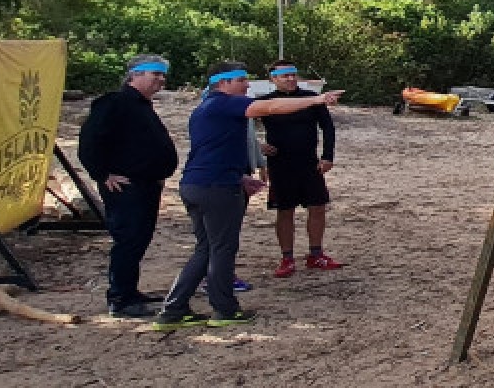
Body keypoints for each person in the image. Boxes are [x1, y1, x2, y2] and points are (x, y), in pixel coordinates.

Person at [151, 62, 343, 331]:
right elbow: (272, 107)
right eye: (241, 80)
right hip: (215, 188)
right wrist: (317, 99)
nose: (247, 85)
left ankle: (173, 310)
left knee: (205, 249)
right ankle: (224, 309)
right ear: (223, 83)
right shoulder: (223, 103)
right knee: (222, 249)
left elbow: (212, 150)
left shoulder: (206, 108)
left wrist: (239, 177)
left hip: (199, 183)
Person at [78, 55, 179, 318]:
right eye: (154, 74)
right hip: (125, 187)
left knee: (140, 239)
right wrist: (102, 174)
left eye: (162, 75)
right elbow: (90, 140)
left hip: (147, 184)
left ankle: (130, 290)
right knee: (128, 239)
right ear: (134, 74)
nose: (160, 79)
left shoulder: (143, 106)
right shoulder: (115, 102)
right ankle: (120, 298)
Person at [255, 59, 342, 278]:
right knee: (285, 211)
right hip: (280, 163)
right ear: (273, 79)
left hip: (309, 162)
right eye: (285, 76)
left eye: (293, 75)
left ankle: (316, 254)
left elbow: (328, 128)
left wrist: (328, 156)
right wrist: (257, 147)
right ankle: (287, 258)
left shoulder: (312, 99)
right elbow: (238, 127)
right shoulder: (265, 102)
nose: (291, 79)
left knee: (317, 206)